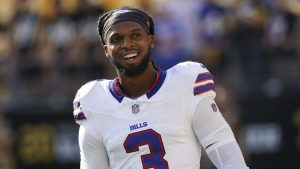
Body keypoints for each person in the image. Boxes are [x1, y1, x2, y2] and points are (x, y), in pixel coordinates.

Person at [73, 6, 249, 169]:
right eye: (117, 39)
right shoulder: (94, 102)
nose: (127, 44)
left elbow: (224, 149)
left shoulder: (185, 82)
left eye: (136, 35)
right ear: (106, 50)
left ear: (151, 40)